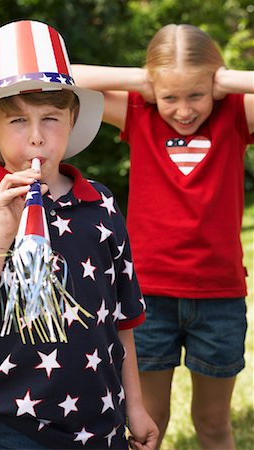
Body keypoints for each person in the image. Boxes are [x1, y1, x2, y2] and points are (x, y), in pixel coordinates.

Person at [0, 19, 159, 450]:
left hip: (101, 420)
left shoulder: (99, 203)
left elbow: (124, 318)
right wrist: (2, 231)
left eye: (50, 118)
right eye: (16, 121)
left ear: (73, 119)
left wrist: (134, 407)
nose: (35, 138)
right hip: (10, 423)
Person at [71, 23, 254, 450]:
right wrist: (145, 80)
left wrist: (225, 79)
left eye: (196, 94)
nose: (184, 110)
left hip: (219, 299)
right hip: (148, 296)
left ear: (215, 88)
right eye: (170, 97)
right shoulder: (139, 112)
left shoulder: (232, 115)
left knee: (212, 423)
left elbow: (214, 92)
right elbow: (63, 76)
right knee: (149, 424)